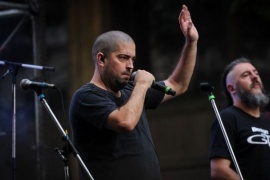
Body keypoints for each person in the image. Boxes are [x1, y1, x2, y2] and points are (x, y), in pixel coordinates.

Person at [69, 4, 198, 180]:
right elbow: (125, 122)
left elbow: (178, 84)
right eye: (123, 58)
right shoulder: (86, 96)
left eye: (133, 59)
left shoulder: (132, 91)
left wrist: (191, 42)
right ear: (101, 59)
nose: (130, 65)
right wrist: (142, 86)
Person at [209, 57, 270, 180]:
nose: (255, 77)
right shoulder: (228, 118)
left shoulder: (267, 121)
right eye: (246, 75)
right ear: (231, 88)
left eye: (256, 73)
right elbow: (219, 169)